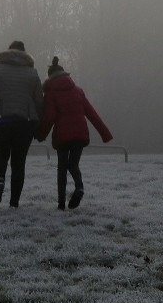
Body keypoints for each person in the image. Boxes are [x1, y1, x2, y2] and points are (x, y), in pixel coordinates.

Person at [37, 57, 113, 210]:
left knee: (62, 168)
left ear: (50, 77)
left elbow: (50, 116)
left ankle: (61, 204)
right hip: (80, 134)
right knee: (73, 164)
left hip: (62, 136)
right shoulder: (78, 91)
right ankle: (79, 187)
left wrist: (41, 134)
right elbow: (92, 113)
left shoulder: (50, 93)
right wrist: (105, 133)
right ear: (65, 74)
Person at [0, 40, 43, 208]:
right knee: (19, 162)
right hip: (25, 122)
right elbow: (39, 102)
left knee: (0, 154)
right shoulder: (32, 73)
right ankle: (14, 203)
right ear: (25, 53)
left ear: (8, 51)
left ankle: (0, 178)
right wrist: (39, 126)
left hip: (1, 120)